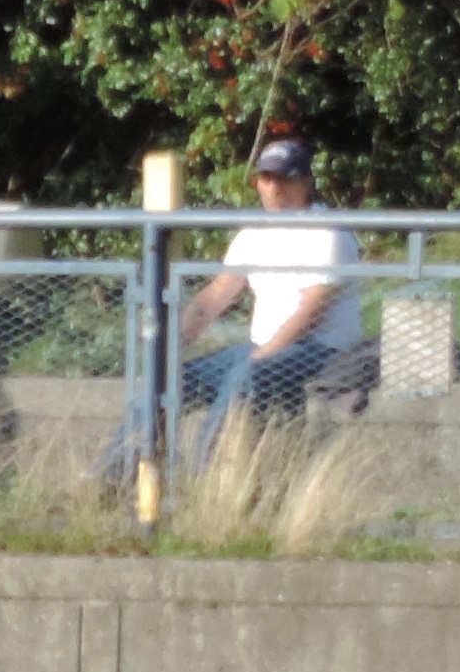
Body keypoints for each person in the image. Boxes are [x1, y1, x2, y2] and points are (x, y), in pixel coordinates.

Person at [153, 139, 363, 464]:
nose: (274, 188)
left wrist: (261, 356)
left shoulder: (328, 232)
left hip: (321, 350)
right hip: (261, 347)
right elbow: (217, 293)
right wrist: (171, 345)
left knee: (245, 376)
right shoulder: (253, 233)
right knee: (168, 381)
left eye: (285, 179)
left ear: (307, 182)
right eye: (267, 179)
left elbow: (312, 311)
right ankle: (118, 473)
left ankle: (202, 478)